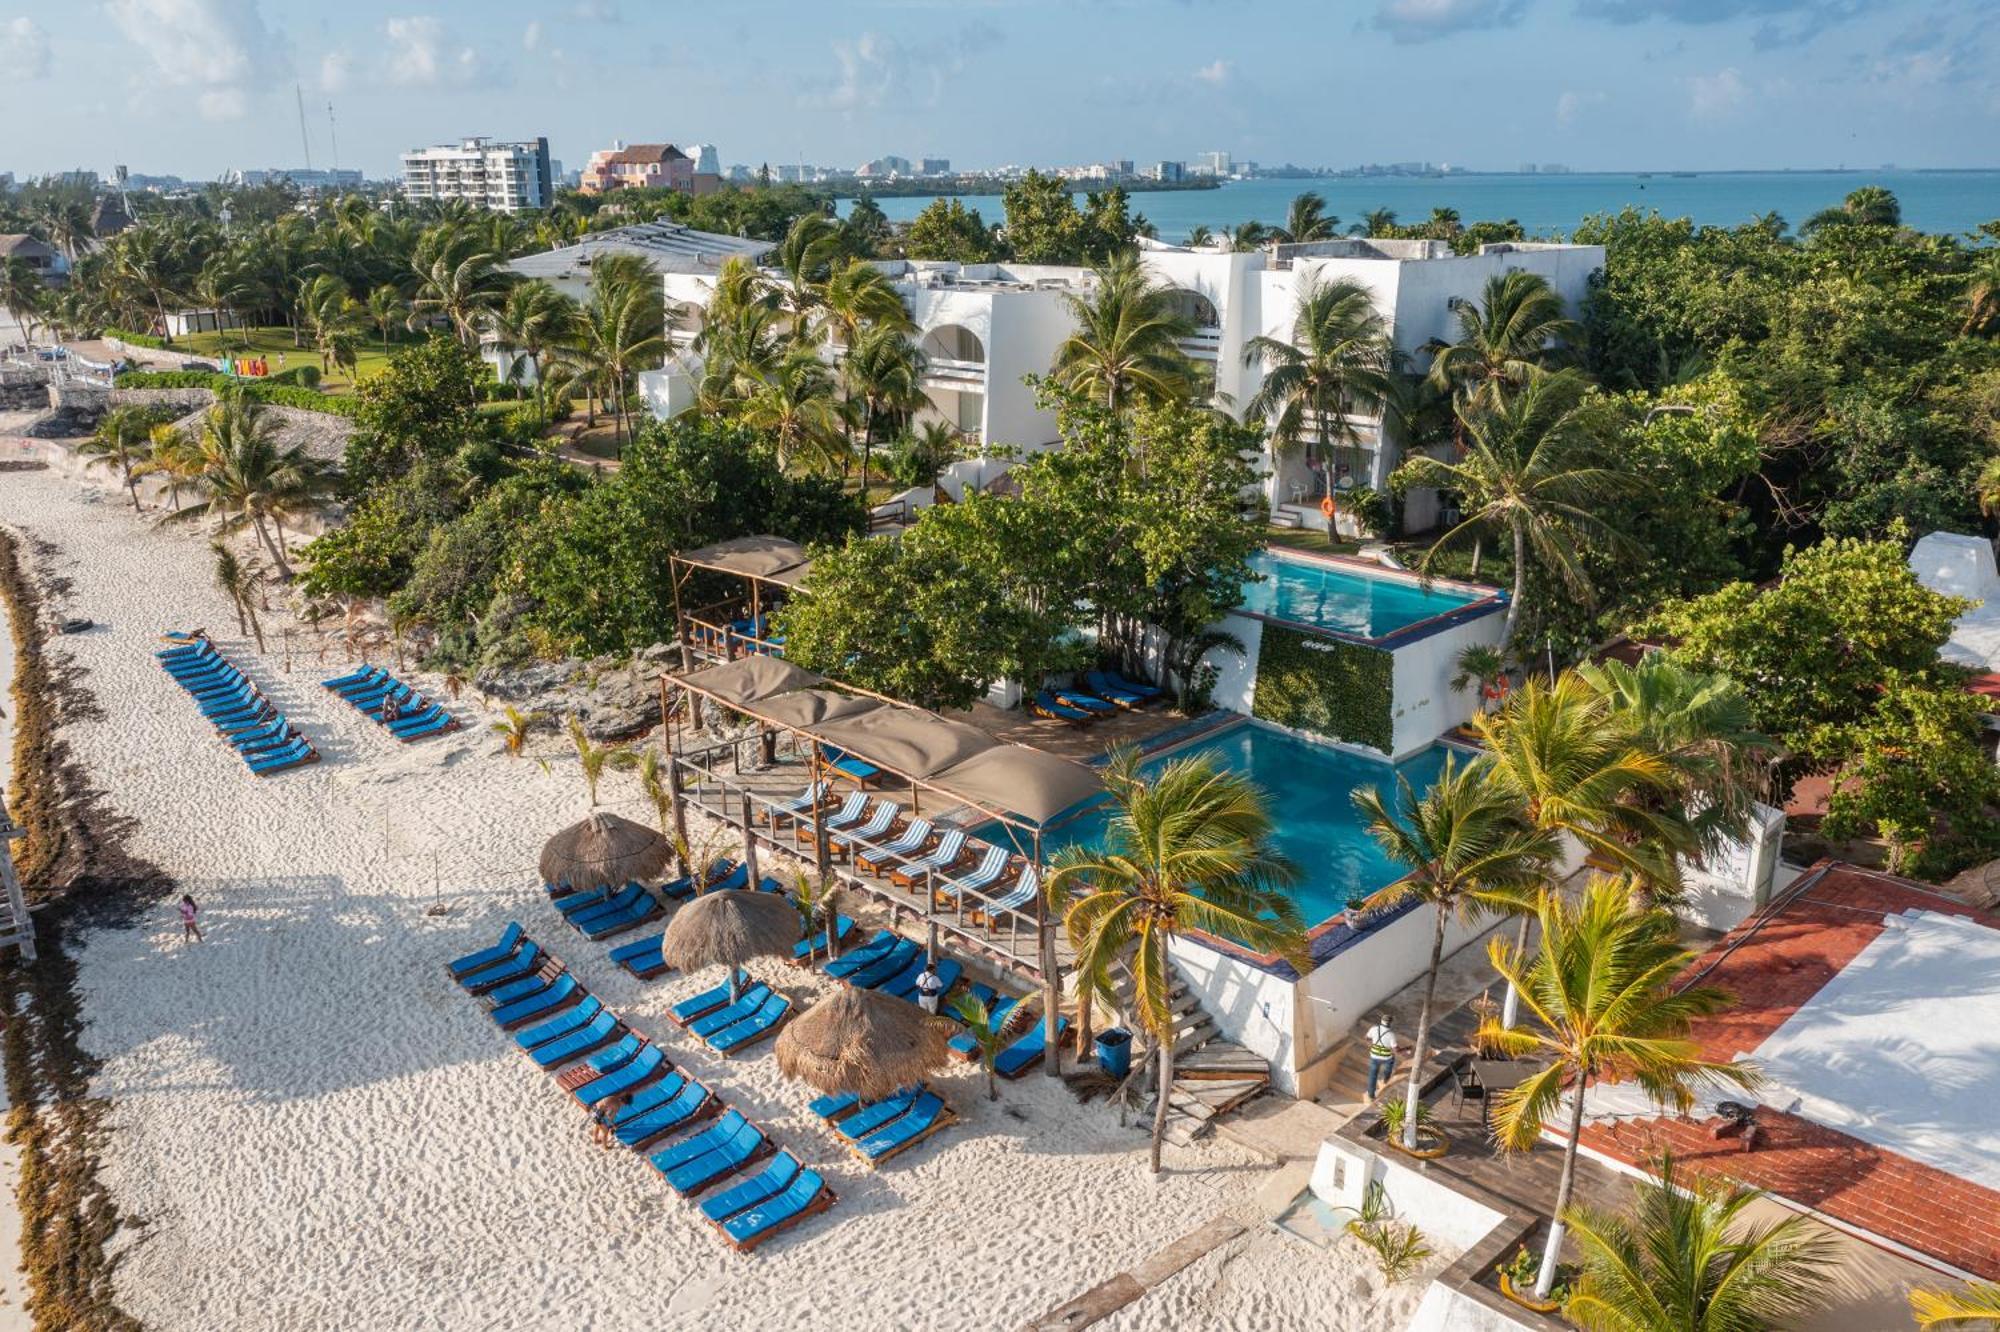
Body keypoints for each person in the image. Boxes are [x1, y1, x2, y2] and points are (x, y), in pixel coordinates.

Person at [1365, 1012, 1397, 1099]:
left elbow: (1367, 1038)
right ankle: (1386, 1078)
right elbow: (1395, 1049)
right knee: (1391, 1062)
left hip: (1374, 1056)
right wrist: (1405, 1049)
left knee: (1373, 1075)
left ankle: (1371, 1095)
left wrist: (1371, 1045)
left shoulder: (1374, 1029)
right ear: (1391, 1023)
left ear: (1381, 1021)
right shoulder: (1391, 1035)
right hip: (1386, 1057)